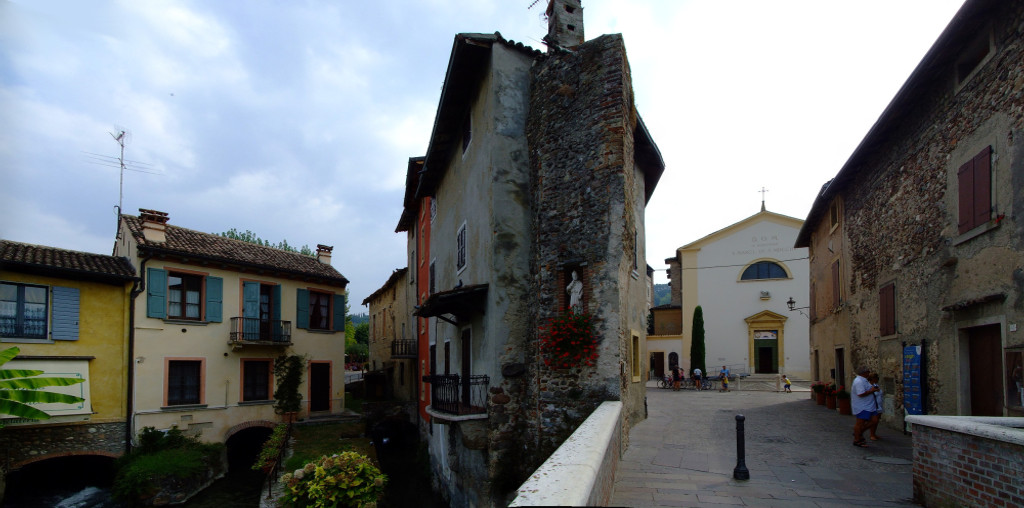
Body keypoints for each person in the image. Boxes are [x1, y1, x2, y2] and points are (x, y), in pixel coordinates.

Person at [851, 366, 879, 447]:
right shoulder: (859, 381)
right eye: (868, 372)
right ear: (864, 373)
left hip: (869, 406)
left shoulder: (864, 380)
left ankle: (858, 432)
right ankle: (857, 440)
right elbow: (860, 394)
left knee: (874, 420)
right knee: (860, 423)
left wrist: (873, 389)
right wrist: (872, 390)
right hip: (862, 406)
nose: (869, 373)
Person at [867, 372, 883, 441]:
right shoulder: (869, 386)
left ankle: (874, 433)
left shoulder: (876, 385)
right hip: (873, 406)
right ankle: (871, 434)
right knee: (874, 420)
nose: (877, 379)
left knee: (877, 421)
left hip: (879, 405)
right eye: (876, 378)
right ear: (872, 379)